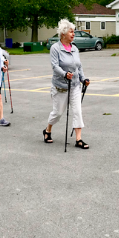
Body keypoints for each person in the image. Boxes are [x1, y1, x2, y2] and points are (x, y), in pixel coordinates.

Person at [43, 19, 91, 149]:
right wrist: (65, 74)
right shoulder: (55, 48)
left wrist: (83, 79)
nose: (73, 34)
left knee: (77, 112)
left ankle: (78, 139)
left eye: (73, 31)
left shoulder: (74, 48)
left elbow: (78, 66)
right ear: (63, 33)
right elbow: (55, 66)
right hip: (60, 87)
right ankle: (47, 130)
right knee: (57, 113)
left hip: (75, 85)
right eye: (71, 31)